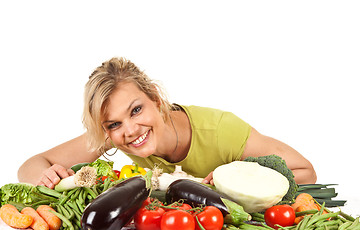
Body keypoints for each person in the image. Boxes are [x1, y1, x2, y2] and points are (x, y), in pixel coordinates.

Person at [18, 57, 317, 189]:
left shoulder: (222, 132)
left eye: (136, 110)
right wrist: (45, 175)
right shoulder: (117, 135)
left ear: (156, 99)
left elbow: (306, 170)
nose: (130, 130)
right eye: (113, 124)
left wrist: (236, 176)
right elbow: (31, 165)